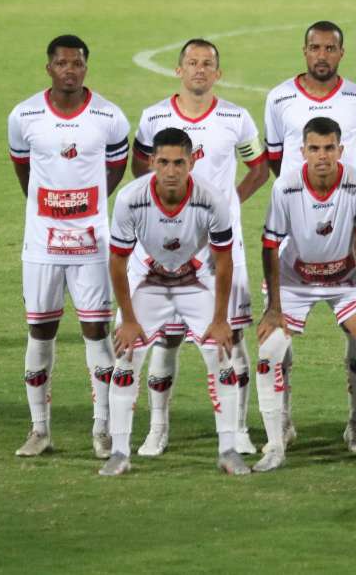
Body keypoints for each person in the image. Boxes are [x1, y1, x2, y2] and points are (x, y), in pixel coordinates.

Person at [129, 38, 268, 457]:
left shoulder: (235, 117)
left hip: (222, 247)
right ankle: (157, 429)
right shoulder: (154, 117)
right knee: (166, 338)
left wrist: (227, 206)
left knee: (232, 335)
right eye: (192, 62)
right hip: (168, 245)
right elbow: (140, 167)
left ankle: (239, 428)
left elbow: (259, 168)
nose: (200, 70)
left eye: (208, 64)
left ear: (218, 73)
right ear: (178, 70)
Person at [8, 34, 130, 459]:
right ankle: (39, 430)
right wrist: (51, 211)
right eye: (62, 63)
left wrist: (87, 207)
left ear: (85, 67)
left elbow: (116, 166)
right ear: (49, 68)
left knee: (97, 332)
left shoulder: (109, 116)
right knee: (40, 332)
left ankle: (103, 429)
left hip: (92, 244)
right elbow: (24, 170)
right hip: (42, 244)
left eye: (77, 63)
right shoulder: (24, 115)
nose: (70, 70)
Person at [255, 117, 356, 473]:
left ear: (341, 150)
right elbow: (270, 246)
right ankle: (276, 441)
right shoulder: (285, 188)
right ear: (302, 151)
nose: (322, 156)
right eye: (314, 149)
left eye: (329, 148)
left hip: (346, 279)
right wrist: (273, 308)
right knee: (270, 349)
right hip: (294, 280)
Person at [105, 128, 247, 476]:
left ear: (192, 162)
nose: (171, 171)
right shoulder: (130, 199)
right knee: (126, 354)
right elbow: (118, 262)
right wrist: (128, 319)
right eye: (164, 162)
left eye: (179, 162)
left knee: (222, 351)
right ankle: (119, 452)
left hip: (194, 282)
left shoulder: (212, 199)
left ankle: (228, 449)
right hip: (150, 281)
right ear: (151, 162)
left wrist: (219, 319)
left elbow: (225, 260)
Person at [263, 21, 356, 454]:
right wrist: (303, 202)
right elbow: (278, 160)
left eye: (330, 48)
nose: (322, 55)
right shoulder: (279, 97)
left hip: (347, 230)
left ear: (341, 53)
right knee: (276, 339)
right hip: (299, 234)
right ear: (304, 50)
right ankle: (284, 423)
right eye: (315, 48)